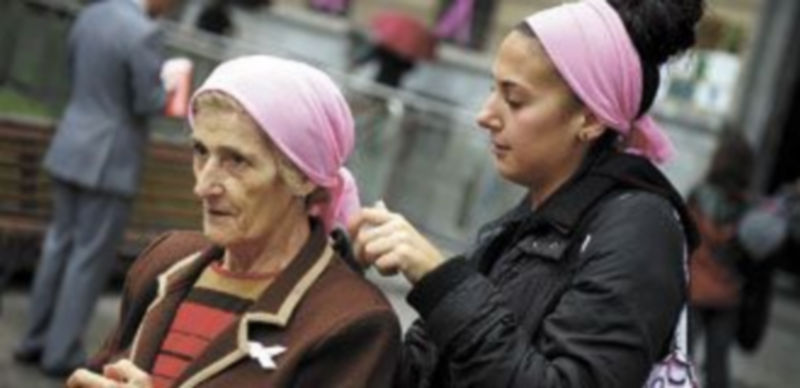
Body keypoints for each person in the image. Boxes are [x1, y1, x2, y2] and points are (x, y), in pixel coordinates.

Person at [348, 0, 704, 386]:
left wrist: (442, 283)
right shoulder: (522, 225)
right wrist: (333, 272)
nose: (485, 116)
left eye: (514, 99)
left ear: (589, 119)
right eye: (492, 90)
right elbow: (414, 373)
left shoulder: (640, 228)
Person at [66, 55, 400, 388]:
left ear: (302, 176)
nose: (203, 187)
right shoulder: (166, 262)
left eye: (236, 161)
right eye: (200, 152)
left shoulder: (350, 321)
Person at [14, 0, 181, 376]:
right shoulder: (144, 33)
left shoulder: (92, 14)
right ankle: (60, 354)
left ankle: (33, 340)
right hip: (109, 160)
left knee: (57, 246)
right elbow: (147, 101)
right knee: (87, 260)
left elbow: (72, 72)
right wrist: (169, 86)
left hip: (71, 144)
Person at [687, 129, 753, 388]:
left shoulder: (698, 196)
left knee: (682, 359)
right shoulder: (747, 208)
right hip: (728, 294)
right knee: (718, 365)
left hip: (695, 289)